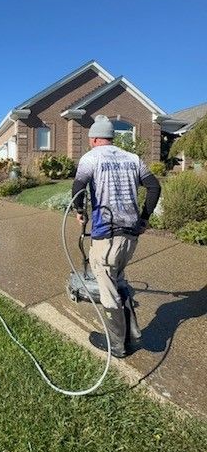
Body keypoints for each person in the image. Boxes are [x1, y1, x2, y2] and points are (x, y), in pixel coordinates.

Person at [72, 114, 161, 358]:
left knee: (107, 288)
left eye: (91, 139)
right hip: (130, 236)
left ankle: (117, 345)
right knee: (119, 279)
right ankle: (132, 332)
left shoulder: (90, 158)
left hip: (107, 236)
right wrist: (144, 218)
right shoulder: (133, 159)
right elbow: (155, 187)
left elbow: (78, 187)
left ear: (94, 139)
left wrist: (80, 212)